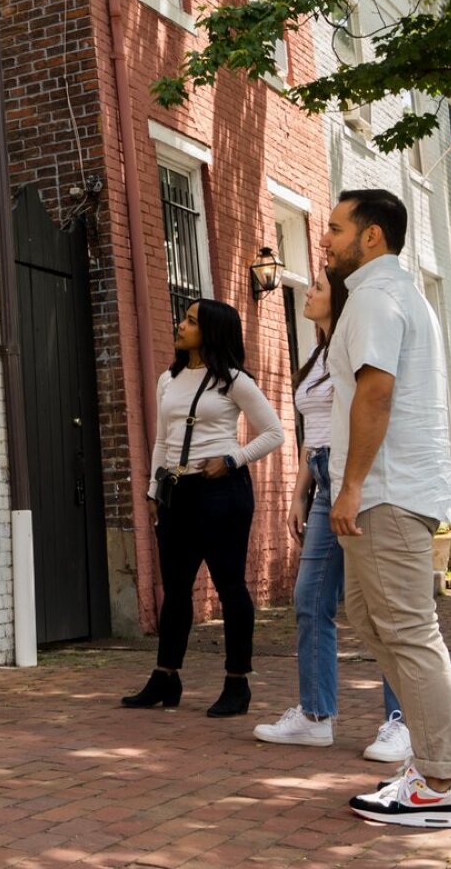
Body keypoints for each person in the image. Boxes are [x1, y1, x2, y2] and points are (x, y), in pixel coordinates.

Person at [323, 189, 451, 827]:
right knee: (370, 619)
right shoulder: (396, 293)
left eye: (335, 228)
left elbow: (376, 393)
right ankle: (446, 761)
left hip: (384, 491)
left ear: (371, 237)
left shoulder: (375, 298)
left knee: (411, 632)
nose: (326, 238)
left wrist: (352, 484)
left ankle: (441, 783)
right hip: (393, 488)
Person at [253, 270, 410, 760]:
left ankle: (402, 721)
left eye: (318, 287)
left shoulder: (349, 347)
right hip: (323, 479)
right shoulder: (319, 354)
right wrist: (301, 491)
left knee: (383, 608)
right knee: (309, 599)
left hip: (354, 480)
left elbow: (366, 413)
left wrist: (352, 485)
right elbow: (313, 431)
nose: (309, 292)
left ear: (337, 298)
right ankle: (316, 715)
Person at [122, 299, 283, 717]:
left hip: (222, 491)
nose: (181, 324)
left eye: (192, 321)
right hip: (178, 490)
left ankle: (237, 683)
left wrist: (232, 459)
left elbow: (274, 432)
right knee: (175, 589)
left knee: (230, 587)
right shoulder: (168, 379)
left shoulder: (232, 381)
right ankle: (165, 676)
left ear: (211, 331)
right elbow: (162, 439)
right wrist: (153, 490)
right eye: (184, 318)